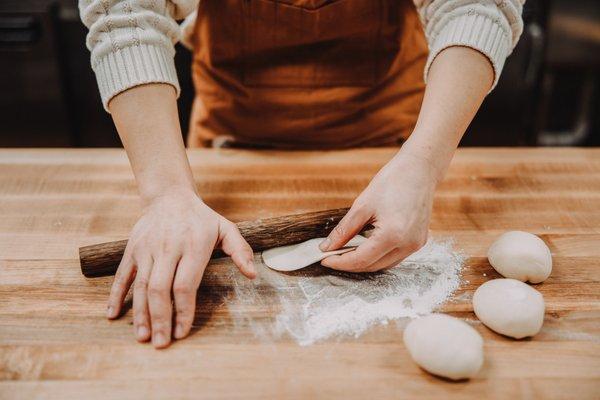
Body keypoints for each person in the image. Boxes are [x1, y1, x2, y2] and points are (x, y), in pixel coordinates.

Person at [79, 0, 525, 348]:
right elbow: (126, 11)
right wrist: (166, 193)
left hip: (390, 139)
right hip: (232, 136)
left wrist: (424, 164)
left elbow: (478, 7)